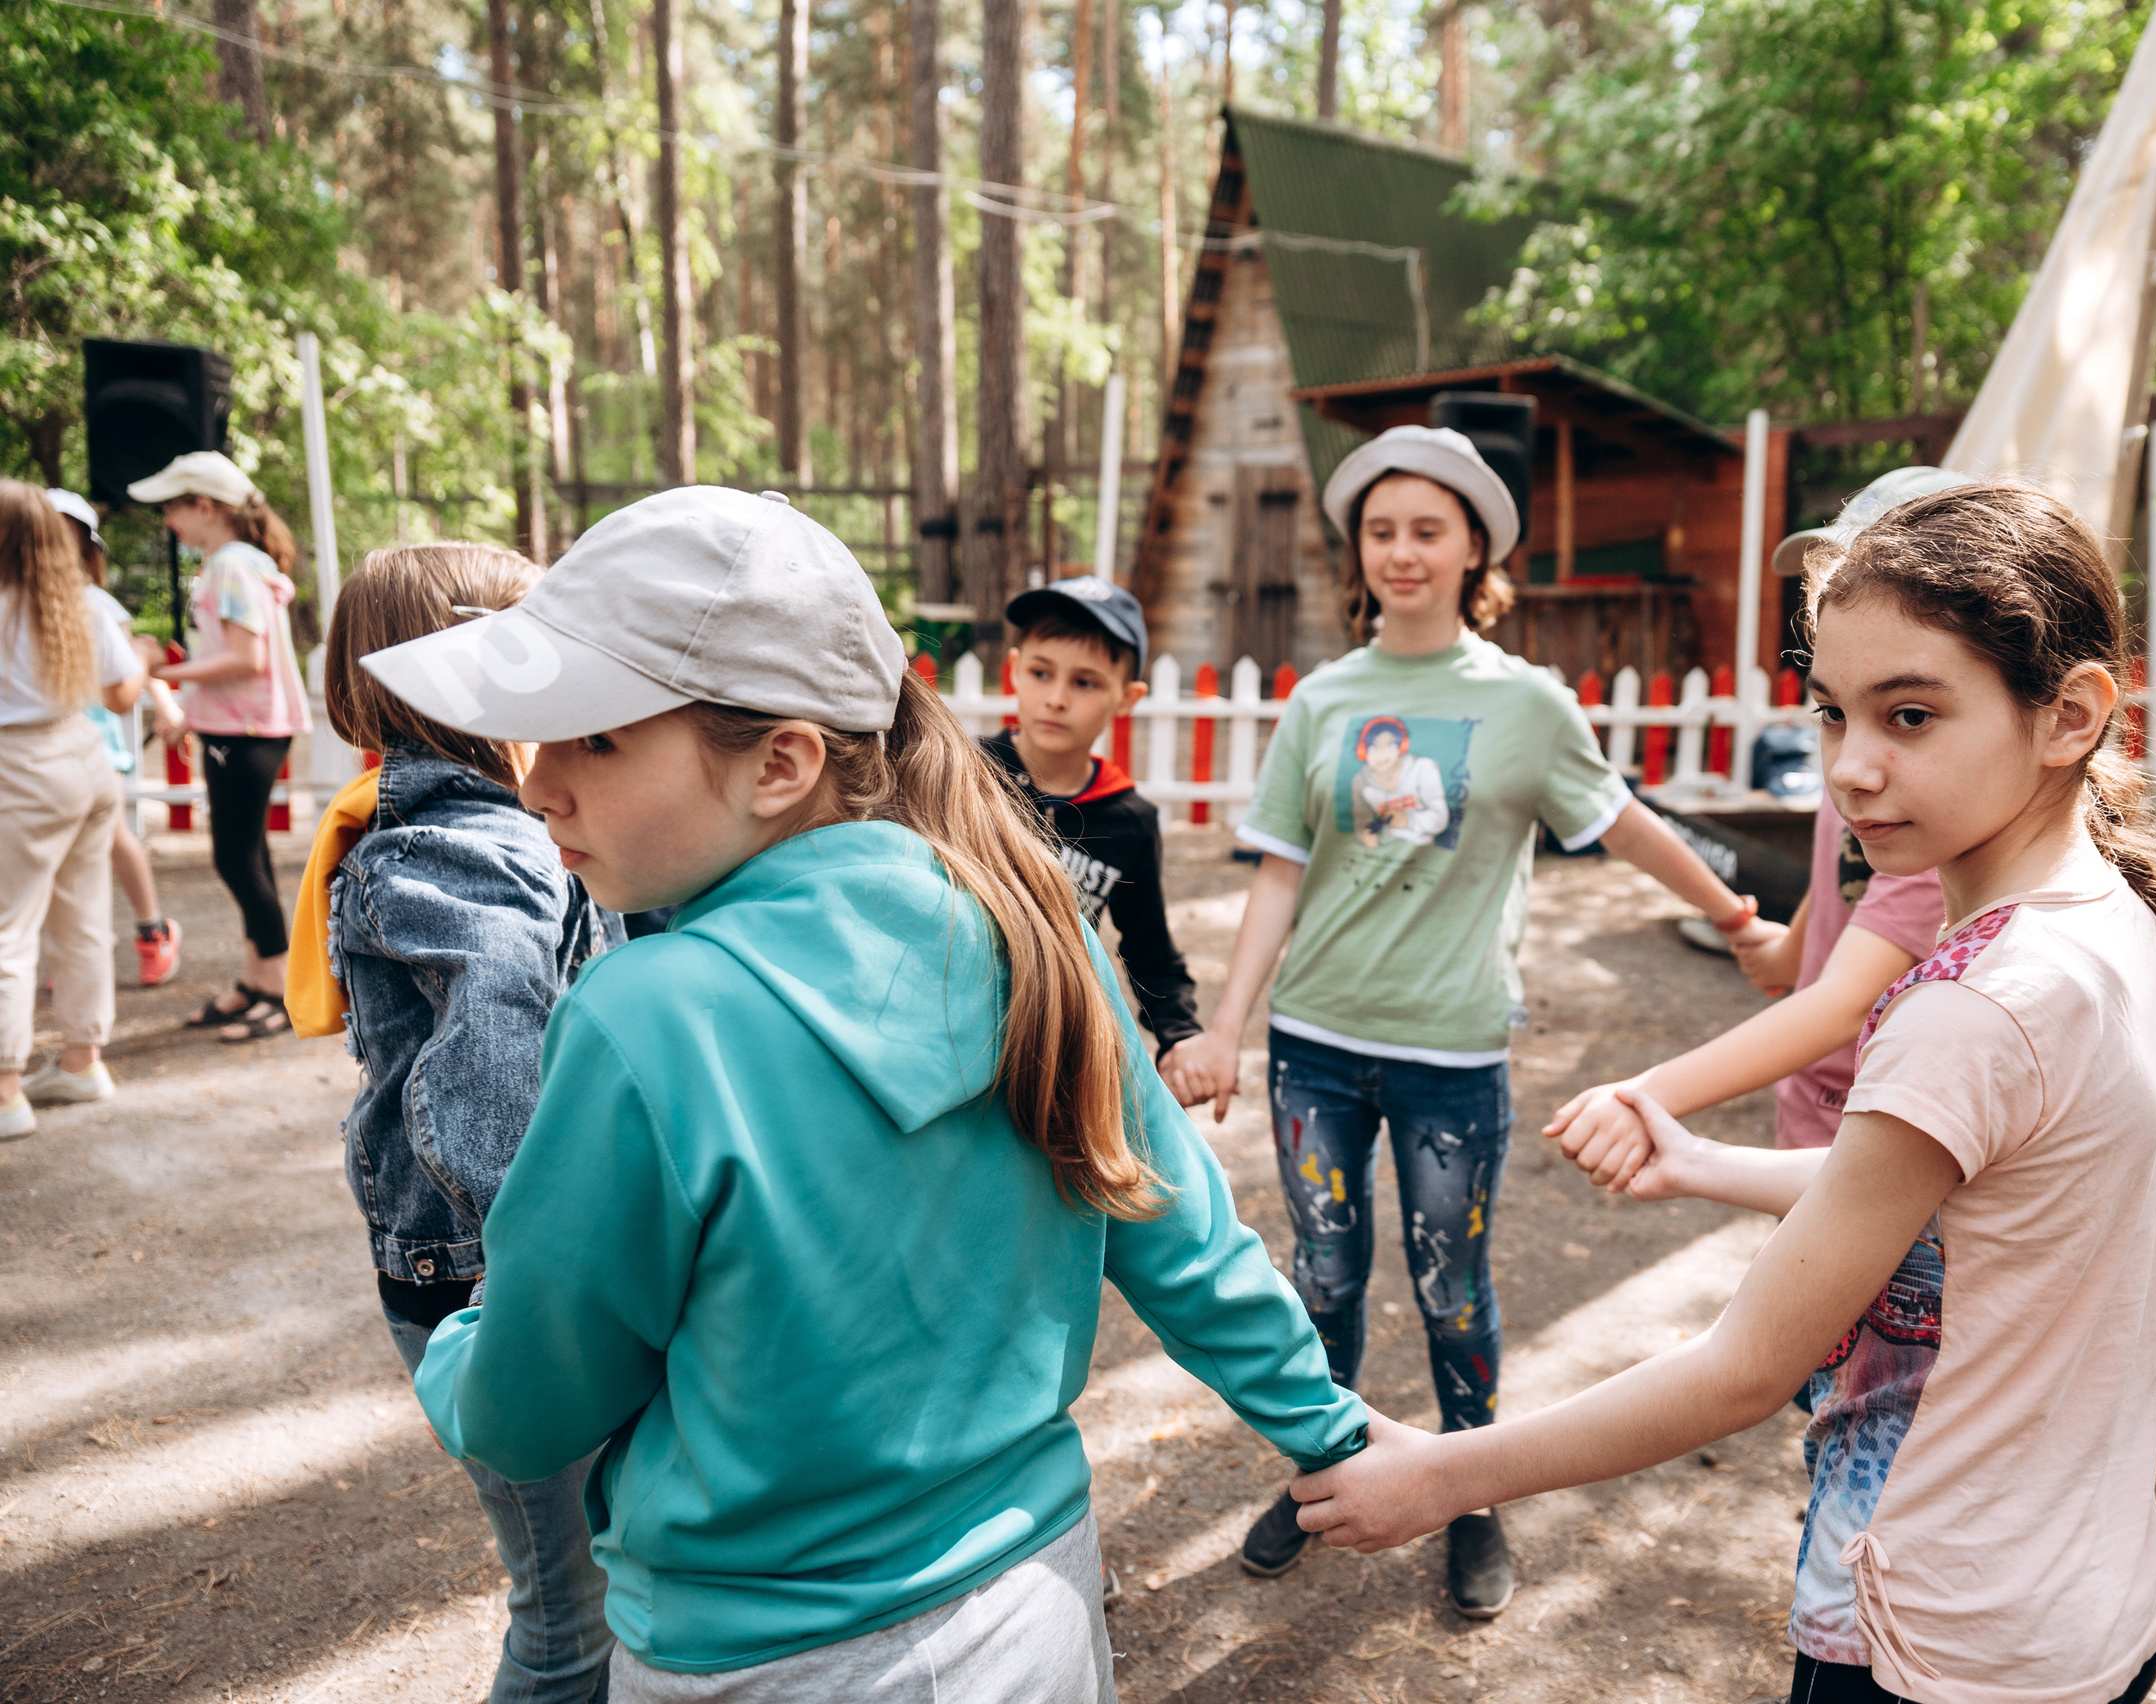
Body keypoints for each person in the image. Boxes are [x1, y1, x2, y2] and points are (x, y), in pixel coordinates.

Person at [360, 488, 1363, 1702]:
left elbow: (528, 1413)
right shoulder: (1038, 928)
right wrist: (1329, 1431)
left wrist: (458, 1337)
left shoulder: (647, 1018)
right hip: (1036, 1605)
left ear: (781, 761)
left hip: (753, 1652)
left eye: (598, 740)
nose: (539, 785)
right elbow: (1184, 1240)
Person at [1289, 483, 2156, 1704]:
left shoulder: (1970, 1005)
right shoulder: (2110, 927)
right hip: (2089, 1605)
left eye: (1909, 714)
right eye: (1834, 713)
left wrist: (1444, 1475)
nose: (1850, 767)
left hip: (1940, 1635)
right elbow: (1963, 1193)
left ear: (2069, 716)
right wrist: (1699, 1162)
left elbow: (1745, 1367)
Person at [1158, 425, 1769, 1616]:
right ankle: (1326, 1469)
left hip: (1451, 1056)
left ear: (1474, 548)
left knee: (1452, 1288)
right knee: (1324, 1277)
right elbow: (1280, 871)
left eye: (1425, 530)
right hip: (1317, 1051)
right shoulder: (1324, 701)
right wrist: (1228, 1024)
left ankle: (1469, 1489)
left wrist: (1740, 918)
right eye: (1379, 530)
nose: (1399, 551)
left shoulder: (1525, 705)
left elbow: (1623, 820)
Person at [283, 542, 624, 1704]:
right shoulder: (462, 850)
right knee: (565, 1617)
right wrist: (548, 1272)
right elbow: (494, 1075)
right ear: (483, 672)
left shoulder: (479, 830)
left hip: (495, 1269)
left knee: (603, 1578)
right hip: (498, 1278)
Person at [1544, 471, 1971, 1190]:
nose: (1849, 765)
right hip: (1812, 1101)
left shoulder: (1933, 818)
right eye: (1831, 713)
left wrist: (1646, 1094)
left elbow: (1842, 1004)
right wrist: (1793, 948)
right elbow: (1845, 872)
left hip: (1865, 1127)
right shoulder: (1863, 757)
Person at [129, 451, 311, 1042]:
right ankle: (257, 981)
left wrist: (161, 671)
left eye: (172, 510)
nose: (168, 524)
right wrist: (191, 712)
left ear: (203, 507)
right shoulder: (239, 562)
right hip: (242, 727)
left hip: (246, 731)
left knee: (237, 859)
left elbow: (245, 659)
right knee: (245, 855)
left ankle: (281, 989)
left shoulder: (231, 565)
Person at [979, 575, 1200, 1062]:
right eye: (1041, 673)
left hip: (1051, 1041)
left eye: (1084, 682)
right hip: (950, 1017)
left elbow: (1148, 949)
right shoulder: (967, 772)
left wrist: (1181, 1034)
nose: (1057, 698)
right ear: (1014, 670)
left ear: (1127, 698)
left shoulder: (1130, 819)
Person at [0, 481, 143, 1138]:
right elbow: (120, 695)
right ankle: (82, 1060)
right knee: (83, 916)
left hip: (18, 766)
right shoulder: (80, 603)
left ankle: (6, 1092)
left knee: (8, 929)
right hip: (82, 759)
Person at [45, 489, 185, 986]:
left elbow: (129, 672)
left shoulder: (97, 605)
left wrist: (166, 702)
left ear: (86, 550)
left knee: (112, 838)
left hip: (92, 739)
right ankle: (74, 951)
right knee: (60, 849)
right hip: (51, 745)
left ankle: (151, 930)